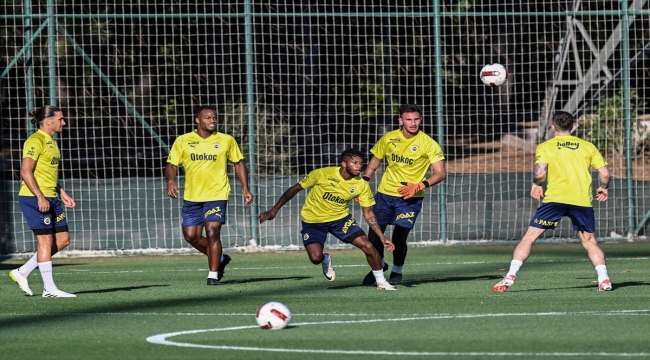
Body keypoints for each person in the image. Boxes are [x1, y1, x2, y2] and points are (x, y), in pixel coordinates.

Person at [493, 111, 612, 292]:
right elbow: (605, 173)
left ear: (552, 127)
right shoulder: (588, 146)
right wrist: (604, 187)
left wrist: (536, 184)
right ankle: (604, 279)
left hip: (555, 199)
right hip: (581, 201)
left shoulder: (545, 146)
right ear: (572, 127)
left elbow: (540, 172)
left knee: (530, 237)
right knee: (589, 241)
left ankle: (510, 274)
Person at [258, 148, 398, 290]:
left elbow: (368, 212)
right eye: (355, 162)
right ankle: (325, 259)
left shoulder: (361, 184)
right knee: (315, 258)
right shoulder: (322, 174)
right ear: (344, 164)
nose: (359, 166)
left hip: (340, 220)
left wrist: (381, 236)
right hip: (313, 221)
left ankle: (381, 282)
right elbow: (294, 189)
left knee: (368, 246)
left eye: (361, 163)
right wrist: (273, 210)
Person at [165, 105, 253, 286]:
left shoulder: (226, 140)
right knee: (191, 236)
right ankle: (220, 258)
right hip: (192, 196)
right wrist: (170, 181)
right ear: (197, 120)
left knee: (213, 231)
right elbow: (172, 165)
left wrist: (245, 187)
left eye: (214, 117)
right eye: (208, 117)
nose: (212, 120)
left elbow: (238, 162)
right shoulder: (183, 140)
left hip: (217, 193)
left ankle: (213, 275)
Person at [361, 104, 446, 286]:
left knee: (400, 237)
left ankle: (397, 271)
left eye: (416, 119)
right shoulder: (389, 138)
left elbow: (440, 173)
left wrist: (419, 185)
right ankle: (380, 265)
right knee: (374, 236)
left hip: (410, 199)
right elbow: (375, 161)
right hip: (384, 195)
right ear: (401, 121)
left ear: (420, 120)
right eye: (409, 119)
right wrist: (364, 181)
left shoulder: (428, 143)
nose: (413, 123)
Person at [10, 106, 77, 298]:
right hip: (34, 198)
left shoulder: (52, 142)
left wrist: (61, 192)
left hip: (52, 197)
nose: (64, 122)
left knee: (63, 240)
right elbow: (25, 171)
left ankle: (22, 271)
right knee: (45, 241)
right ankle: (49, 289)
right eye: (61, 119)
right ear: (48, 121)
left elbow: (48, 173)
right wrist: (40, 196)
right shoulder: (35, 140)